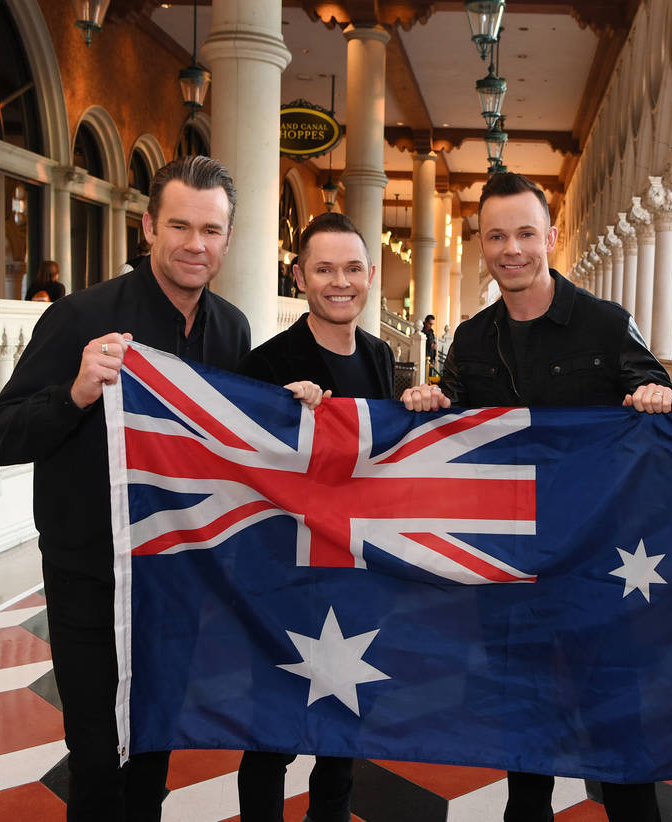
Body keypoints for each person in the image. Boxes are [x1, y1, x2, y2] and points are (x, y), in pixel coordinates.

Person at [0, 156, 251, 822]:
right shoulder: (81, 318)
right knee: (99, 763)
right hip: (89, 579)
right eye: (180, 226)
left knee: (152, 756)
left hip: (176, 583)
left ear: (227, 238)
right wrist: (74, 392)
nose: (195, 244)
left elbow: (240, 447)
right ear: (149, 226)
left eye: (210, 230)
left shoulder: (232, 331)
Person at [401, 171, 672, 822]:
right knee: (521, 735)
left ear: (551, 237)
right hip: (507, 570)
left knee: (618, 730)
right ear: (481, 245)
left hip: (596, 568)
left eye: (526, 233)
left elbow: (657, 389)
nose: (512, 249)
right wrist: (427, 404)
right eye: (496, 236)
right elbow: (453, 428)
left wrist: (658, 396)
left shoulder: (606, 324)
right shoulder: (471, 339)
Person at [235, 211, 394, 822]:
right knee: (270, 735)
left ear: (370, 275)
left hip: (354, 574)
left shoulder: (380, 357)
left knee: (341, 735)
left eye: (352, 268)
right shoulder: (269, 364)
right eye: (323, 269)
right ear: (299, 276)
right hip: (285, 578)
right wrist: (283, 417)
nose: (340, 282)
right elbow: (244, 469)